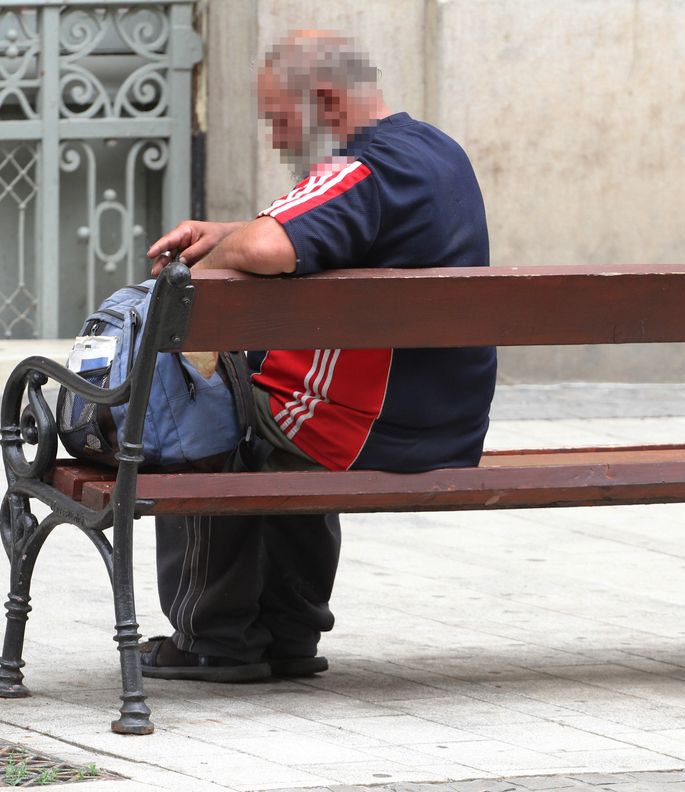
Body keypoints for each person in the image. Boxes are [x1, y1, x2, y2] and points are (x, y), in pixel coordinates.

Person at [137, 29, 496, 682]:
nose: (275, 138)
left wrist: (198, 265)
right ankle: (289, 631)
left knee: (199, 405)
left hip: (363, 424)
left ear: (327, 102)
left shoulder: (361, 166)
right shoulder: (438, 151)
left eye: (278, 120)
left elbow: (266, 249)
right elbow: (294, 229)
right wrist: (227, 232)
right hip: (443, 423)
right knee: (273, 410)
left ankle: (212, 636)